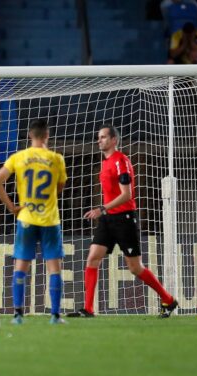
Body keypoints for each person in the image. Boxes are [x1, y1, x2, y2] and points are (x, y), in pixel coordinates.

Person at [68, 125, 178, 318]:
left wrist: (102, 208)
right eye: (98, 137)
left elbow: (127, 195)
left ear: (114, 140)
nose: (99, 140)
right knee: (93, 258)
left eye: (103, 137)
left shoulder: (121, 161)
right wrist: (104, 212)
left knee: (135, 267)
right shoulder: (105, 163)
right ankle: (88, 309)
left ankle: (168, 299)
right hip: (108, 219)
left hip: (124, 219)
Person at [0, 119, 68, 325]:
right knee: (54, 267)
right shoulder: (56, 159)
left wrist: (12, 207)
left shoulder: (19, 157)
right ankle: (55, 315)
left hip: (26, 218)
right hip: (50, 219)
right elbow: (60, 187)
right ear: (47, 136)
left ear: (29, 135)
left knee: (21, 266)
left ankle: (17, 315)